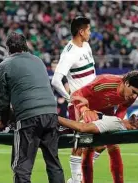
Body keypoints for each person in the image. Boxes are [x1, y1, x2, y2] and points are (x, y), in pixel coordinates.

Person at [0, 32, 64, 183]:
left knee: (22, 167)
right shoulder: (38, 61)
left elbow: (2, 100)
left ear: (8, 49)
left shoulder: (4, 65)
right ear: (26, 45)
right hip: (51, 114)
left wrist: (4, 120)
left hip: (28, 117)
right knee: (54, 164)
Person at [70, 71, 138, 183]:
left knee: (113, 145)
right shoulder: (105, 82)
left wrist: (116, 123)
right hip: (87, 108)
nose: (134, 96)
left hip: (106, 111)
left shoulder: (132, 94)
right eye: (134, 92)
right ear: (126, 83)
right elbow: (75, 95)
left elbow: (122, 108)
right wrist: (85, 110)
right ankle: (76, 180)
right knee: (85, 146)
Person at [51, 16, 98, 183]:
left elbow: (92, 73)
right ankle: (77, 180)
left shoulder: (86, 45)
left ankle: (80, 174)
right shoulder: (69, 53)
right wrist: (71, 98)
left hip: (94, 101)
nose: (90, 33)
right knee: (80, 144)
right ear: (81, 31)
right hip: (80, 105)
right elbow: (56, 80)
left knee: (103, 140)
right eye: (89, 30)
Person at [58, 96, 138, 133]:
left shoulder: (115, 124)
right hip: (66, 125)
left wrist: (55, 117)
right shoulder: (117, 122)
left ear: (134, 129)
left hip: (58, 127)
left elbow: (82, 127)